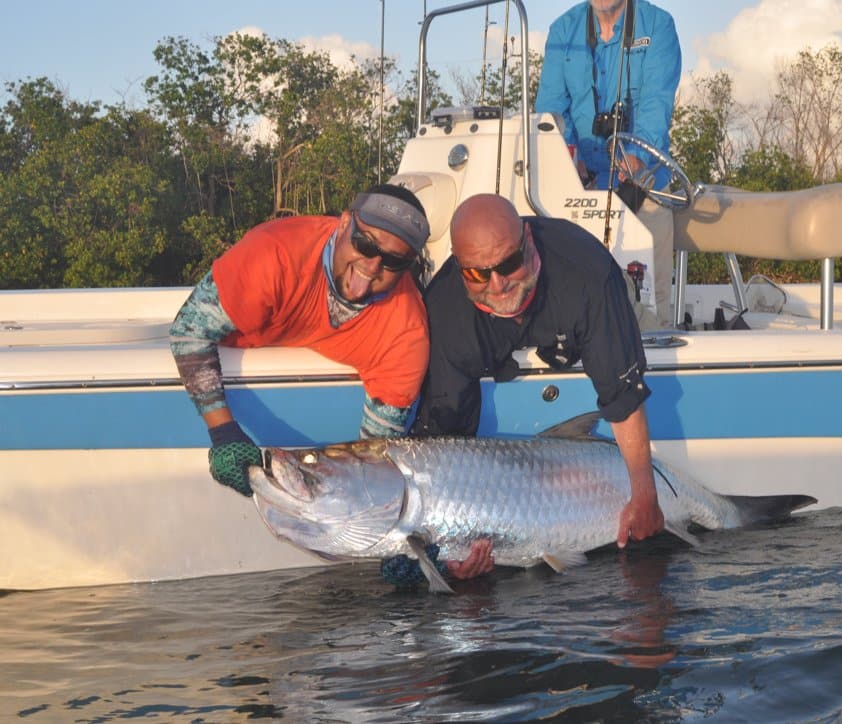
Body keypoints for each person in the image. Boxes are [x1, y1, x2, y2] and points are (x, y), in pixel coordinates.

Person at [382, 193, 665, 586]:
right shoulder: (446, 309)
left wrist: (645, 494)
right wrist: (449, 558)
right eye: (479, 274)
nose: (497, 284)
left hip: (600, 308)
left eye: (509, 264)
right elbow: (447, 443)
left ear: (528, 243)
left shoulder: (587, 272)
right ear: (462, 270)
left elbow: (623, 396)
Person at [169, 184, 431, 496]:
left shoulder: (407, 336)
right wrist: (224, 431)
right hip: (230, 349)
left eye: (393, 261)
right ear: (345, 222)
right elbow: (189, 330)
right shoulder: (275, 253)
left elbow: (371, 457)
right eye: (365, 244)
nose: (372, 266)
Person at [535, 0, 681, 326]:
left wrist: (635, 158)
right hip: (580, 188)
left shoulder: (658, 25)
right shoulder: (563, 30)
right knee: (572, 302)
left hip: (644, 184)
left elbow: (657, 106)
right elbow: (550, 111)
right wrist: (569, 159)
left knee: (649, 310)